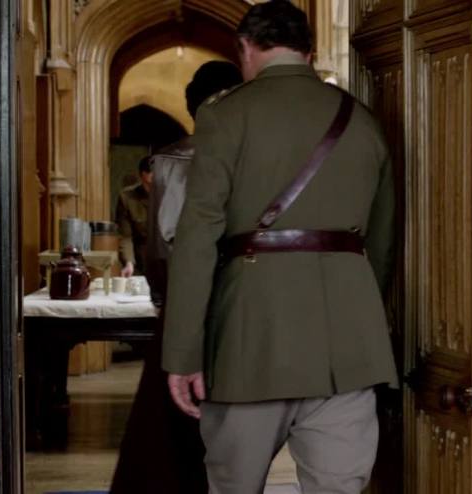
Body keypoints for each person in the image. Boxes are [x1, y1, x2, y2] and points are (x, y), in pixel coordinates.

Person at [162, 2, 398, 493]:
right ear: (310, 51)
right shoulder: (362, 120)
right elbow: (381, 240)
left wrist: (183, 352)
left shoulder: (224, 115)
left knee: (233, 485)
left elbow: (197, 238)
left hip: (249, 337)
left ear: (245, 48)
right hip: (348, 342)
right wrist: (357, 311)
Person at [109, 61, 243, 494]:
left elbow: (162, 247)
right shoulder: (254, 152)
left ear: (192, 107)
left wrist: (163, 301)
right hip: (245, 298)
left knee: (172, 428)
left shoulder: (171, 159)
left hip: (188, 300)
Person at [115, 157, 152, 277]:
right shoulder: (127, 198)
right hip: (140, 259)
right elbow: (125, 235)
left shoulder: (170, 195)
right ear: (144, 175)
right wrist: (129, 262)